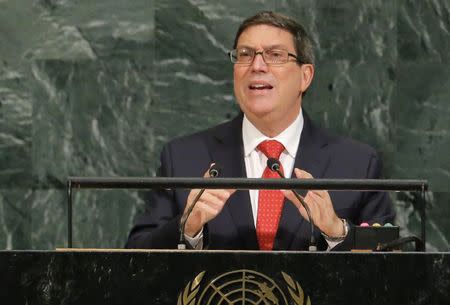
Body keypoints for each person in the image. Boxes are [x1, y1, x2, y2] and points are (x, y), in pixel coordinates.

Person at [126, 11, 395, 251]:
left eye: (275, 55)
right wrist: (186, 227)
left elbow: (393, 271)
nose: (256, 66)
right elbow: (135, 257)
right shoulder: (184, 158)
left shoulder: (357, 163)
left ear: (305, 76)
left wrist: (338, 232)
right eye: (245, 55)